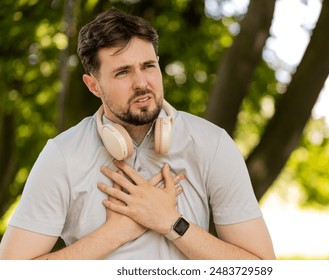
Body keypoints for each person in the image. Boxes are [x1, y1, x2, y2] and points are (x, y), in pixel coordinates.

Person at [0, 9, 275, 260]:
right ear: (93, 85)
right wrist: (114, 233)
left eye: (148, 66)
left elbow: (262, 268)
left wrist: (171, 222)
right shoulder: (61, 155)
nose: (142, 83)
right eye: (123, 72)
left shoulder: (212, 144)